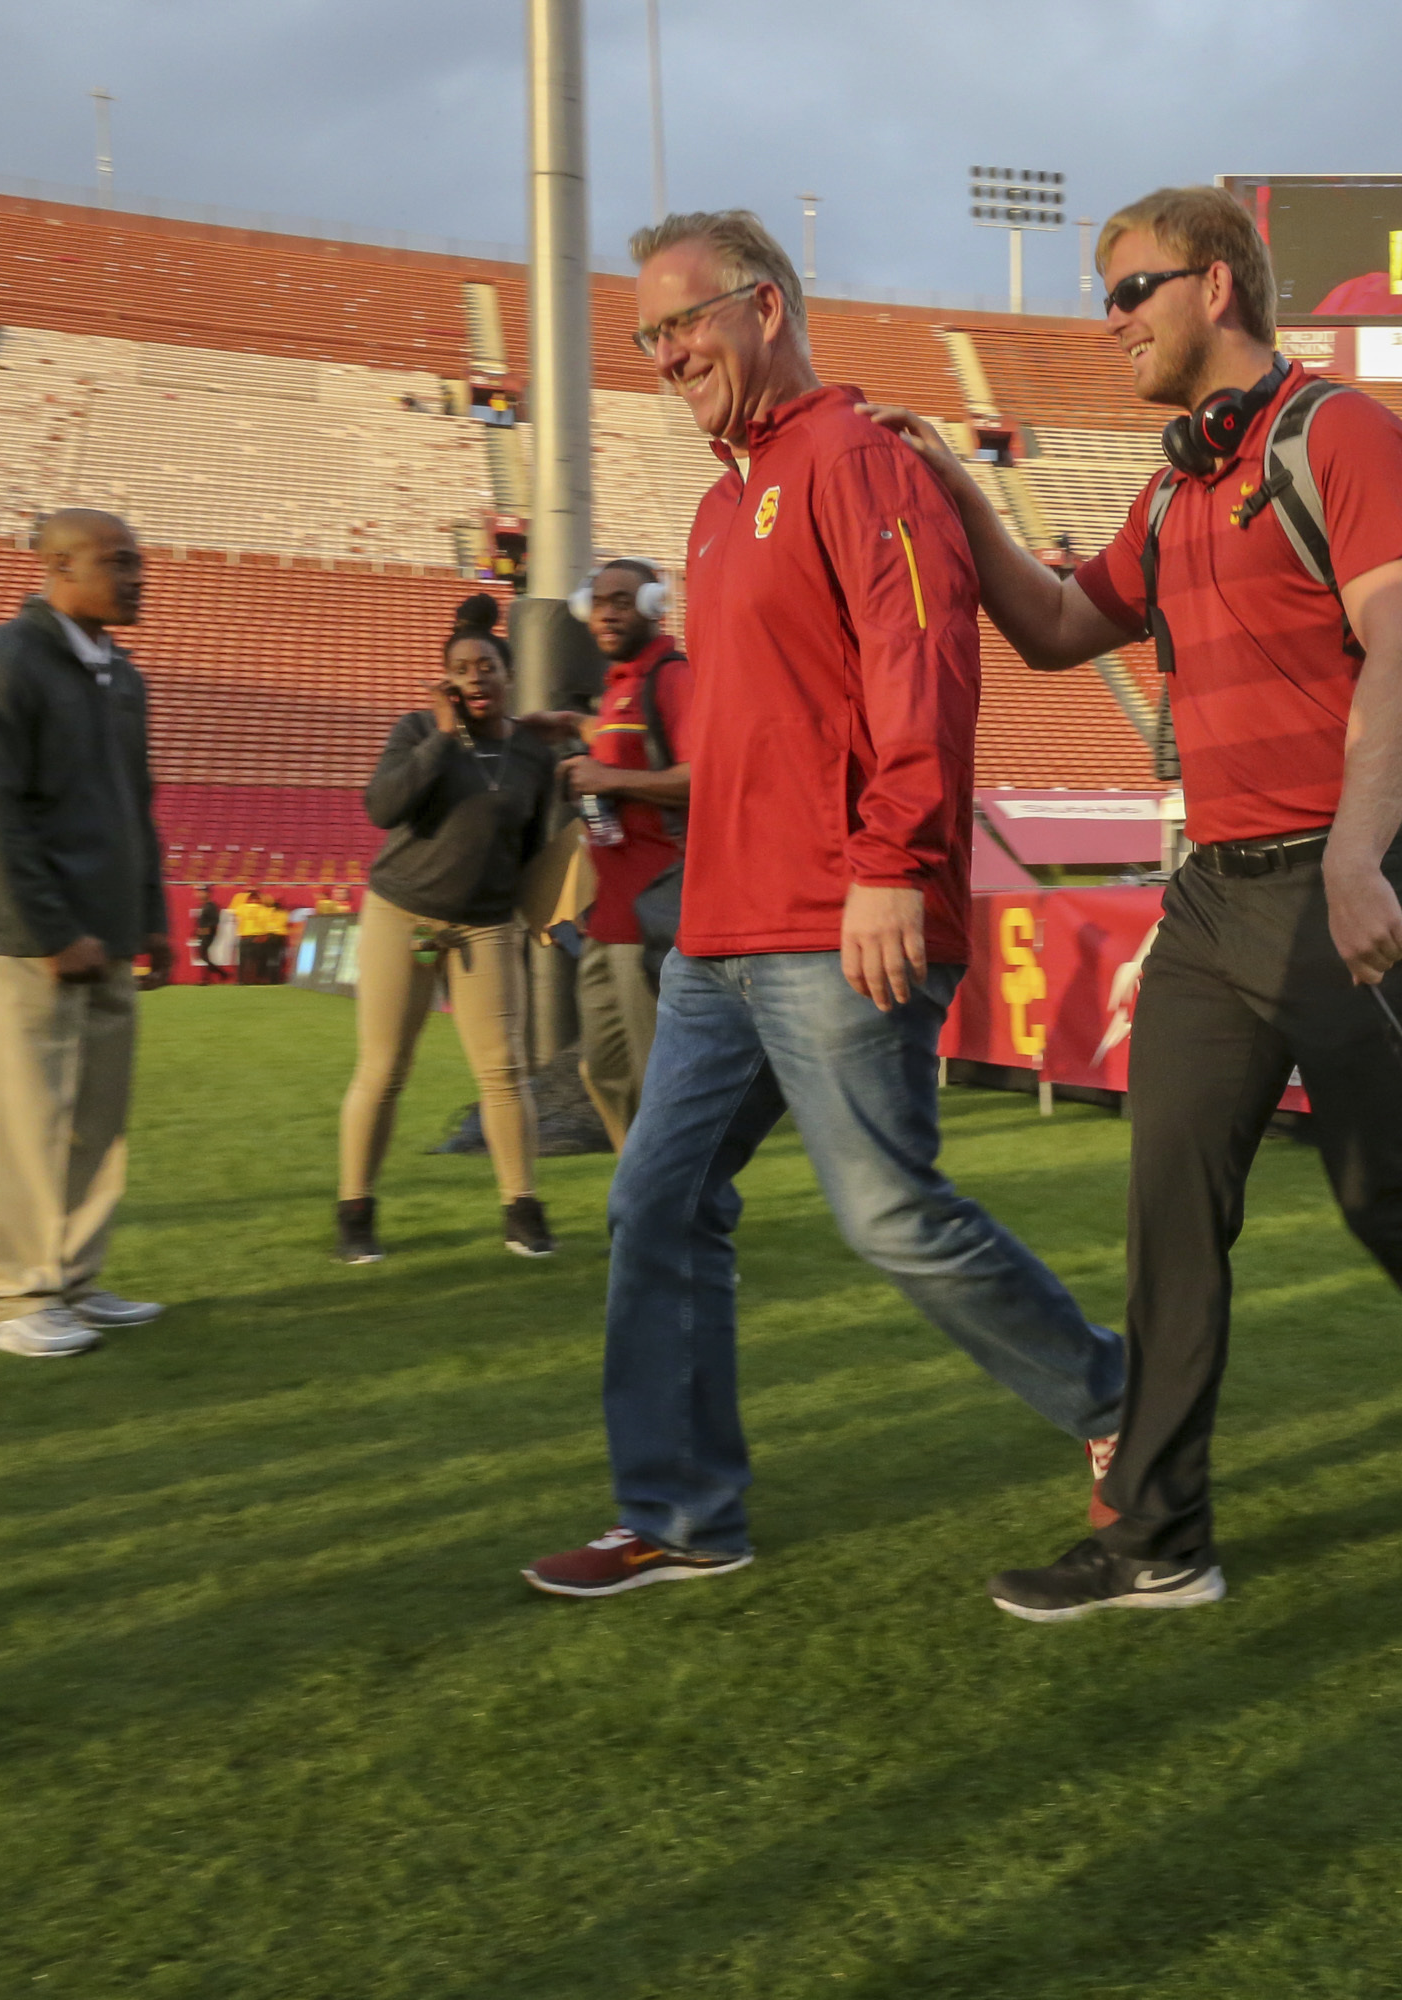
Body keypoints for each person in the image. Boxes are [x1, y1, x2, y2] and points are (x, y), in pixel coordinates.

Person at [865, 184, 1402, 1619]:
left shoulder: (1345, 434)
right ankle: (1159, 1540)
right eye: (1106, 293)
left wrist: (1360, 851)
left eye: (1130, 290)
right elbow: (1055, 627)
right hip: (1215, 907)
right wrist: (959, 496)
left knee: (1394, 1205)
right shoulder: (1176, 485)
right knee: (1170, 1211)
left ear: (1218, 285)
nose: (1108, 319)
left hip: (1350, 880)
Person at [520, 210, 1125, 1601]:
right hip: (718, 933)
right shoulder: (722, 507)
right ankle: (680, 1516)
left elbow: (926, 676)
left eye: (682, 323)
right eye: (646, 336)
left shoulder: (863, 463)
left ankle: (1118, 1403)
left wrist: (891, 867)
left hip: (840, 916)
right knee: (655, 1203)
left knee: (889, 1214)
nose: (664, 353)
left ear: (767, 308)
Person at [0, 509, 171, 1357]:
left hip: (105, 931)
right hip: (20, 942)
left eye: (138, 563)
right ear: (60, 568)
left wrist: (152, 920)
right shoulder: (2, 664)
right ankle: (9, 1299)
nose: (138, 577)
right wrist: (47, 932)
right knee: (26, 1121)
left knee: (95, 1119)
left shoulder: (120, 673)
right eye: (120, 563)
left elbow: (134, 807)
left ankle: (71, 1277)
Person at [335, 595, 561, 1265]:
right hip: (400, 912)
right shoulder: (414, 730)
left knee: (504, 1072)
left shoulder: (531, 755)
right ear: (446, 680)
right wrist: (439, 735)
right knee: (383, 1068)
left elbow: (532, 847)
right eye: (462, 668)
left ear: (508, 674)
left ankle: (522, 1208)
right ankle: (355, 1212)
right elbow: (383, 807)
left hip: (485, 926)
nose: (475, 677)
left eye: (487, 666)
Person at [525, 557, 692, 1150]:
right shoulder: (622, 686)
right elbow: (619, 739)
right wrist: (576, 724)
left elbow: (704, 777)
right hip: (608, 916)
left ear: (653, 605)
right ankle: (641, 1196)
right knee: (605, 1072)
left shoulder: (672, 677)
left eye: (624, 599)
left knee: (659, 1081)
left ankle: (676, 1216)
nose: (609, 612)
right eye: (599, 601)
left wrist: (608, 780)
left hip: (654, 912)